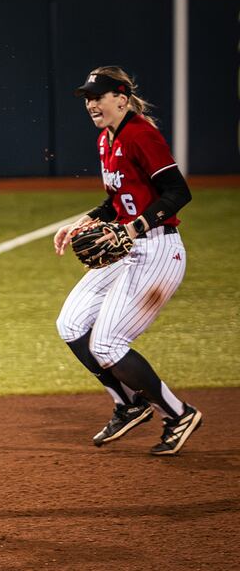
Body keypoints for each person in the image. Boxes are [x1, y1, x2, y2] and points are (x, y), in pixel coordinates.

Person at [53, 67, 201, 456]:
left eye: (97, 96)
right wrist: (85, 221)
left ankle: (178, 413)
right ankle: (130, 404)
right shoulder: (106, 139)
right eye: (87, 97)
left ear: (121, 97)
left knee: (108, 342)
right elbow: (114, 203)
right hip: (129, 248)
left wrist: (132, 228)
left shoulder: (141, 135)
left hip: (158, 250)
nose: (90, 104)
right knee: (70, 324)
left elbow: (177, 192)